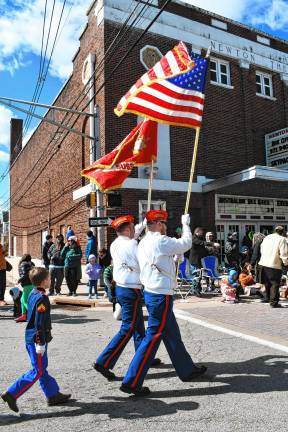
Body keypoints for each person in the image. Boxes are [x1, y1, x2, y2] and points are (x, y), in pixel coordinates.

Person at [120, 210, 207, 396]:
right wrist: (186, 224)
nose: (165, 226)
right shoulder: (160, 240)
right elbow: (186, 243)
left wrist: (172, 259)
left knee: (172, 334)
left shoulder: (144, 242)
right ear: (158, 224)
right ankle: (132, 381)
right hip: (160, 294)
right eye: (164, 223)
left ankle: (186, 369)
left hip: (154, 292)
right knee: (153, 336)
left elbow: (159, 259)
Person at [1, 267, 71, 413]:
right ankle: (12, 393)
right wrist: (40, 342)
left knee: (42, 367)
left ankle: (52, 395)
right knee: (38, 370)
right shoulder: (41, 298)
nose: (51, 280)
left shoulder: (33, 293)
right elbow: (39, 321)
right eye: (50, 278)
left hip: (32, 337)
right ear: (45, 281)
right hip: (36, 338)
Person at [93, 215, 154, 381]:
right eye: (133, 227)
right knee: (128, 327)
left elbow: (133, 237)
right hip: (130, 289)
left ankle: (143, 355)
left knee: (138, 326)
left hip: (122, 287)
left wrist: (142, 224)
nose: (135, 230)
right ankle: (103, 361)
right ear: (127, 230)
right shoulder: (133, 244)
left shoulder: (116, 243)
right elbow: (143, 262)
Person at [258, 226, 288, 308]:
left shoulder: (267, 237)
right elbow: (283, 253)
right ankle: (273, 302)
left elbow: (261, 248)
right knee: (274, 284)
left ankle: (267, 298)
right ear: (282, 232)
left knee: (267, 283)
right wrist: (286, 263)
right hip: (273, 264)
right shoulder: (282, 239)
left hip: (263, 263)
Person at [16, 254, 35, 323]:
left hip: (27, 285)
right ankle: (24, 315)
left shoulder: (23, 264)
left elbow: (25, 274)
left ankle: (34, 314)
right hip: (32, 284)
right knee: (22, 300)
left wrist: (19, 280)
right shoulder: (32, 264)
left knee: (25, 301)